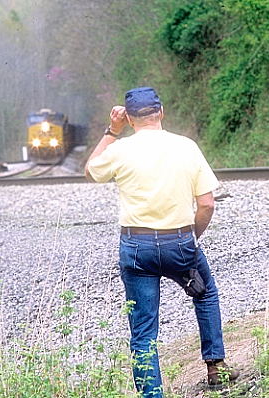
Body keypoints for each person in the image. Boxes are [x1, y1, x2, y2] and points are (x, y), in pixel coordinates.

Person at [84, 87, 239, 397]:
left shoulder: (120, 149)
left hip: (136, 247)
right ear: (162, 112)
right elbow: (207, 204)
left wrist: (111, 131)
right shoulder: (186, 147)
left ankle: (152, 394)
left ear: (128, 119)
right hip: (180, 241)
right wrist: (191, 238)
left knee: (143, 330)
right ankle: (215, 367)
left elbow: (90, 170)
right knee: (204, 294)